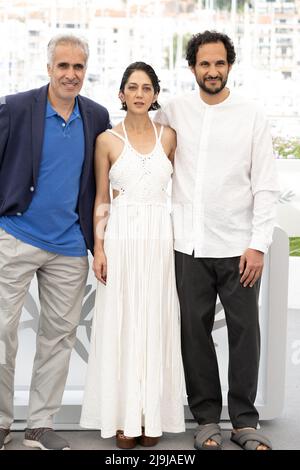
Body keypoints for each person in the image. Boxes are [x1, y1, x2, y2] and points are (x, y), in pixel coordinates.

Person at [155, 31, 279, 450]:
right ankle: (206, 418)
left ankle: (244, 421)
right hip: (188, 246)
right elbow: (143, 144)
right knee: (194, 332)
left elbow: (265, 185)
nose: (212, 71)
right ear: (192, 68)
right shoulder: (173, 111)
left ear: (230, 65)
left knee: (246, 333)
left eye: (220, 63)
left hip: (239, 247)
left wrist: (259, 244)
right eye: (204, 64)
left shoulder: (251, 115)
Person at [0, 34, 110, 451]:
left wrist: (98, 240)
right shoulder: (15, 108)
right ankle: (1, 420)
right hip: (15, 236)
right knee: (2, 332)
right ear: (49, 68)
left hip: (68, 247)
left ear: (86, 70)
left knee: (58, 337)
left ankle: (39, 425)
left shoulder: (96, 116)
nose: (70, 74)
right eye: (63, 66)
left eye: (78, 67)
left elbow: (101, 181)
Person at [80, 62, 185, 448]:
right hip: (122, 237)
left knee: (155, 320)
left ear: (156, 94)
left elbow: (183, 192)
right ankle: (124, 418)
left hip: (159, 237)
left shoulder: (170, 137)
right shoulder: (106, 140)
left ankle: (150, 415)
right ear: (122, 94)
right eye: (132, 87)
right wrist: (100, 247)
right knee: (121, 324)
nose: (139, 94)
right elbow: (101, 199)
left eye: (146, 87)